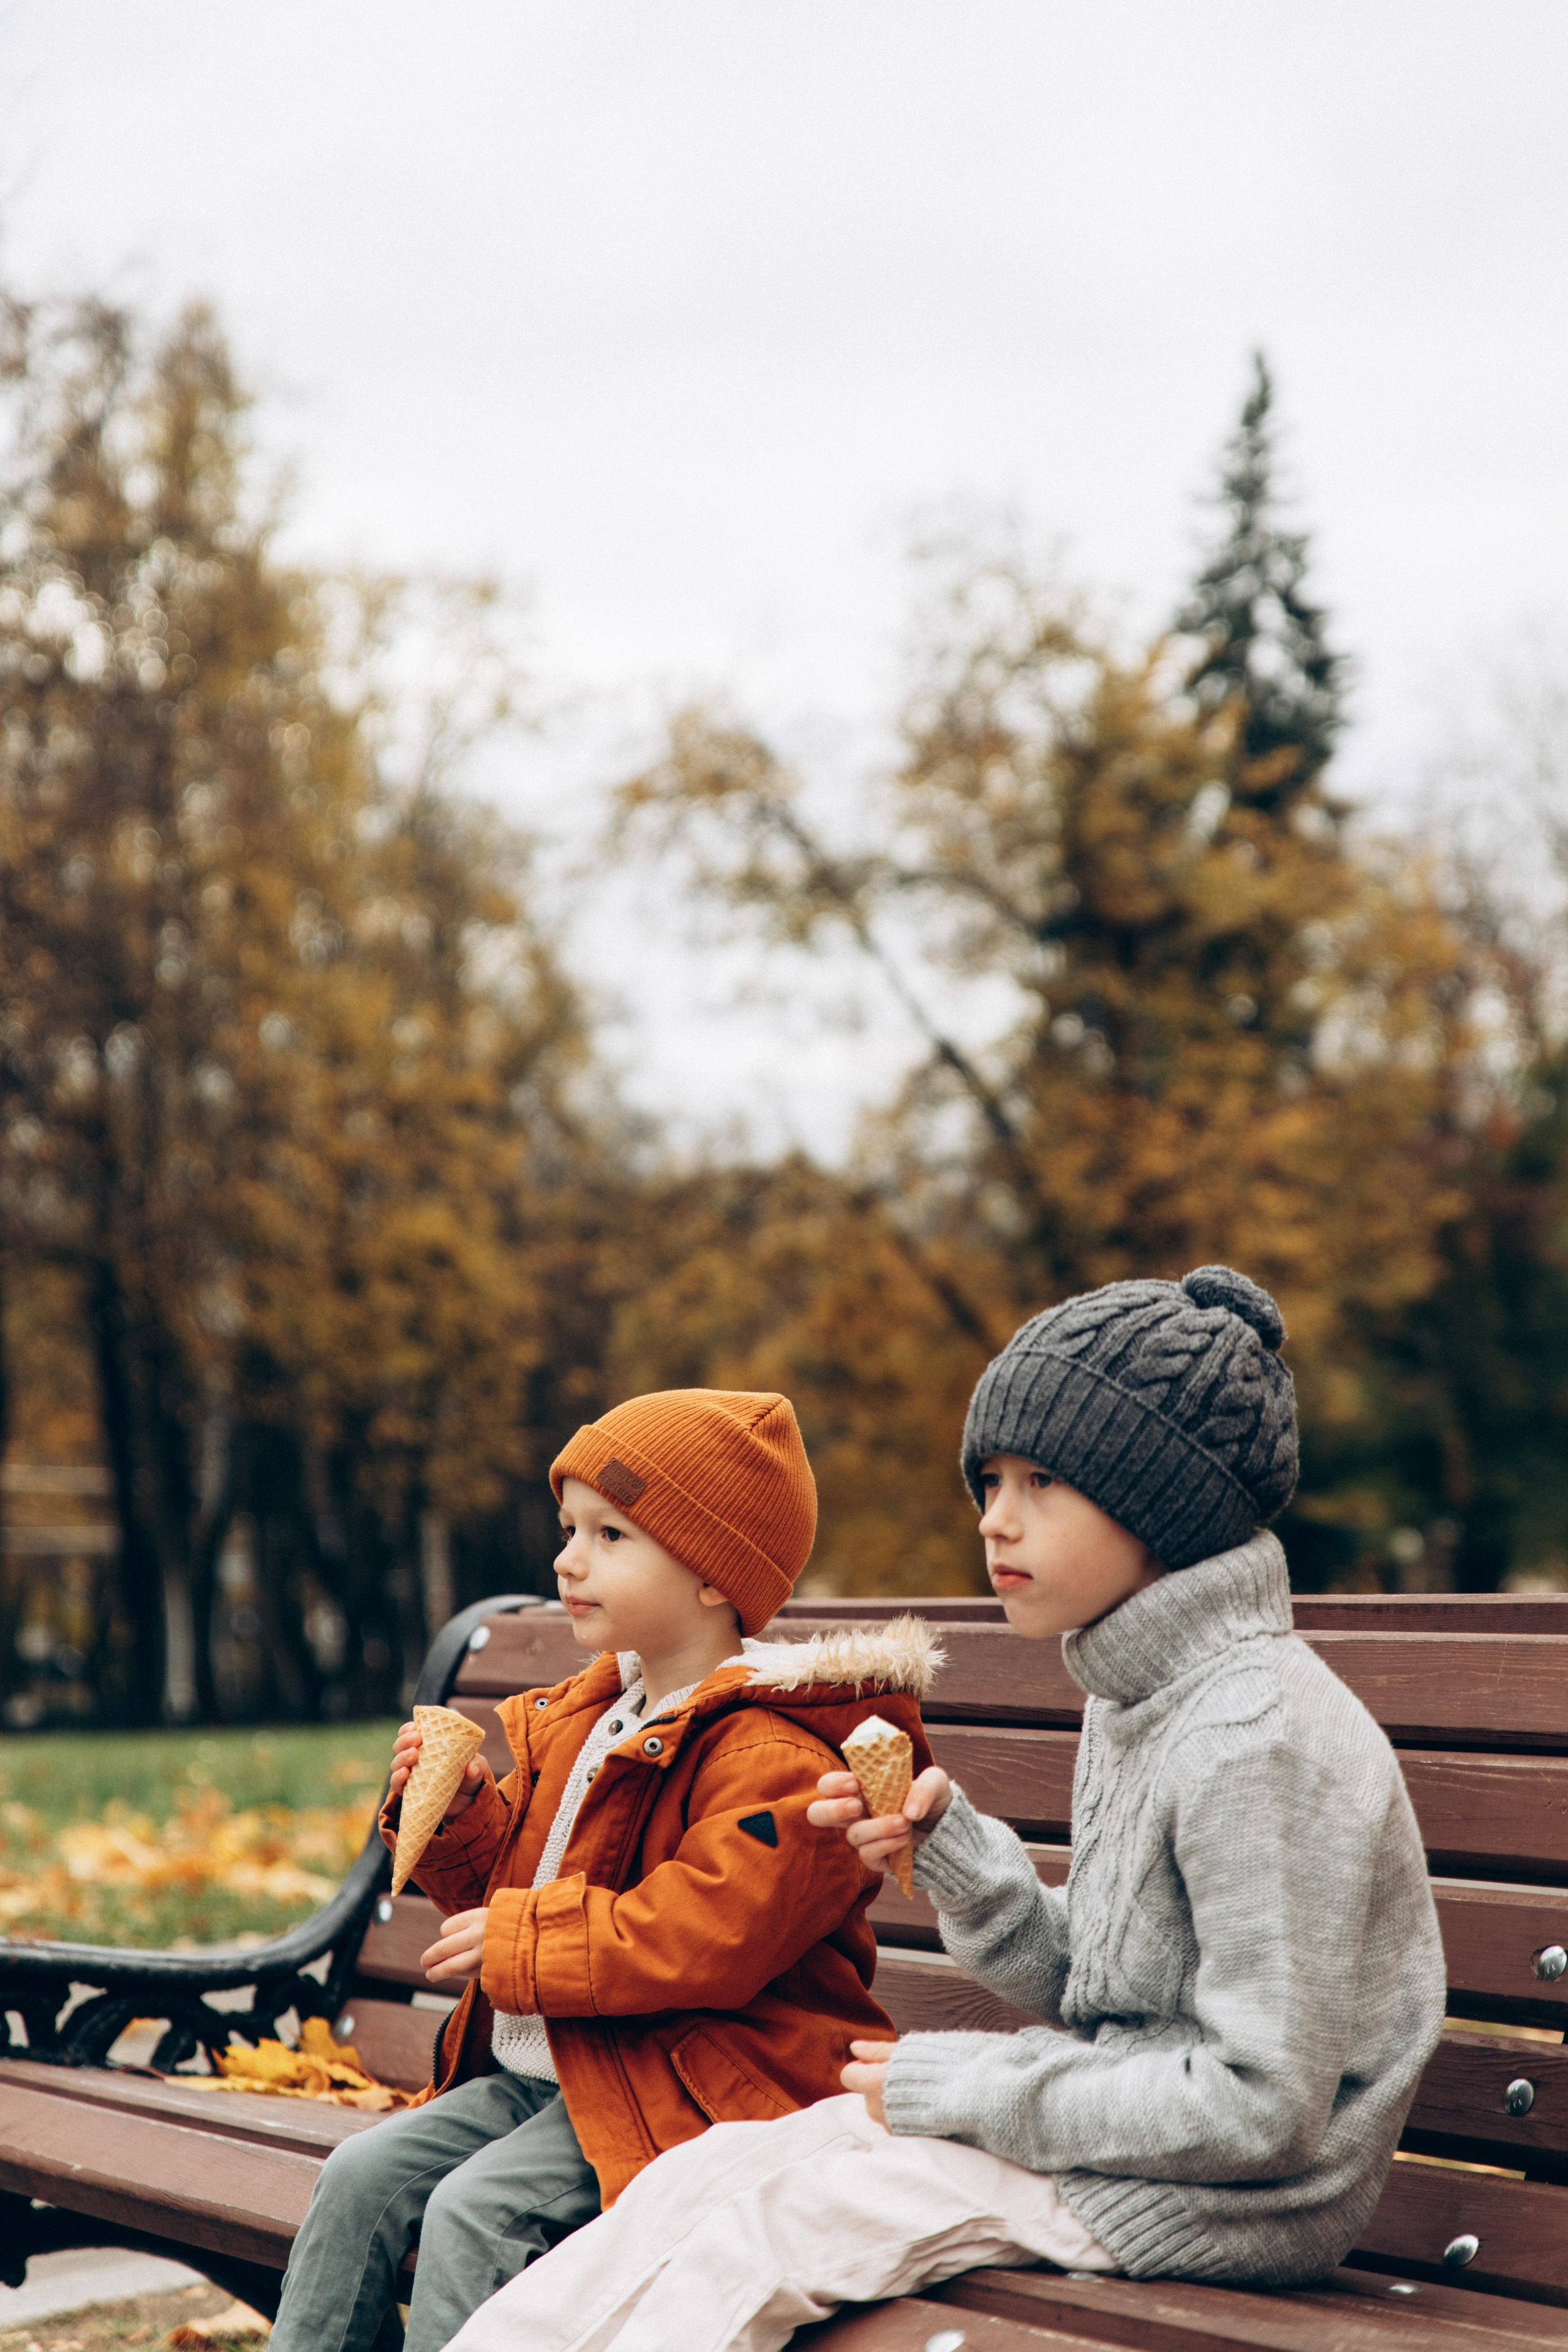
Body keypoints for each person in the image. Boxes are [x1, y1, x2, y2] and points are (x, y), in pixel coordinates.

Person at [442, 1268, 1447, 2352]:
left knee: (759, 2233)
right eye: (988, 1483)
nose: (994, 1521)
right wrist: (964, 1862)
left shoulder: (1256, 1737)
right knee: (710, 2177)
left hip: (1228, 2203)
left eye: (1042, 1483)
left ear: (1168, 1503)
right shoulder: (1142, 1697)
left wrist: (970, 2081)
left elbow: (1260, 2109)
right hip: (1129, 2143)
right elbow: (1105, 1997)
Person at [268, 1386, 936, 2352]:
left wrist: (521, 1938)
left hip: (692, 2088)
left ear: (713, 1575)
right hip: (560, 2071)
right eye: (567, 1528)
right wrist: (462, 1822)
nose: (566, 1560)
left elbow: (704, 1934)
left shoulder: (778, 1757)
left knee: (475, 2214)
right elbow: (518, 1899)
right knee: (360, 2177)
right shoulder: (592, 1718)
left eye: (610, 1536)